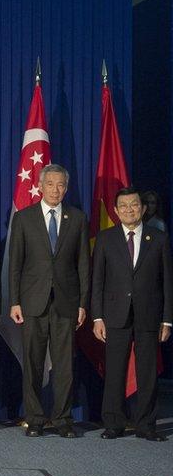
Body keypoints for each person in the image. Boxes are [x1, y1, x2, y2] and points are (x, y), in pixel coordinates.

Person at [8, 163, 89, 438]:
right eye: (51, 184)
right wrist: (15, 301)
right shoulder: (24, 218)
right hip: (33, 302)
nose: (56, 189)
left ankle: (63, 419)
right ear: (40, 187)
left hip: (66, 303)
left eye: (61, 185)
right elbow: (15, 265)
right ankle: (35, 419)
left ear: (66, 188)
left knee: (65, 364)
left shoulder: (77, 218)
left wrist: (82, 303)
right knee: (32, 362)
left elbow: (83, 265)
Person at [92, 187, 172, 442]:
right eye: (123, 206)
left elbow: (167, 282)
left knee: (147, 372)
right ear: (115, 211)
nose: (129, 209)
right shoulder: (105, 239)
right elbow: (98, 281)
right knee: (114, 371)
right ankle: (113, 423)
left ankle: (146, 425)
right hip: (114, 315)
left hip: (149, 316)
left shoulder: (158, 238)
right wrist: (97, 318)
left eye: (134, 205)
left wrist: (167, 320)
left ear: (143, 208)